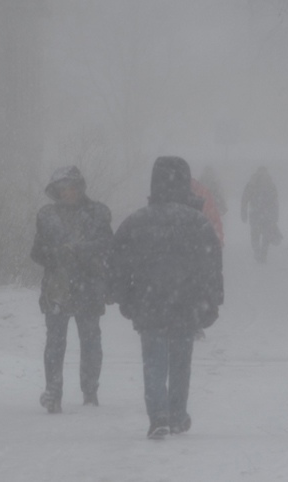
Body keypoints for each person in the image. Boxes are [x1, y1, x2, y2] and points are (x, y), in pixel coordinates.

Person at [109, 156, 224, 439]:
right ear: (186, 184)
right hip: (186, 305)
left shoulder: (136, 222)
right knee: (181, 363)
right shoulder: (198, 223)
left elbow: (118, 265)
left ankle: (158, 416)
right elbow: (211, 268)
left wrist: (125, 299)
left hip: (149, 305)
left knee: (154, 363)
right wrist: (211, 302)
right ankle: (177, 414)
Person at [30, 166, 113, 414]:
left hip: (89, 285)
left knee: (90, 341)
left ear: (80, 188)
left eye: (72, 188)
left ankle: (90, 392)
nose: (67, 193)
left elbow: (108, 246)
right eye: (62, 189)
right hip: (58, 287)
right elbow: (36, 252)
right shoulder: (46, 216)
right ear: (55, 191)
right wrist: (57, 254)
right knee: (55, 342)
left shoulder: (98, 213)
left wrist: (80, 251)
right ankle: (53, 392)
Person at [241, 166, 281, 263]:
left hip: (255, 213)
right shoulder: (270, 184)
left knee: (255, 234)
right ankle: (263, 254)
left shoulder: (252, 184)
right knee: (265, 235)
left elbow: (244, 199)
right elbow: (275, 201)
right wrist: (275, 215)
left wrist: (244, 212)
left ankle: (258, 252)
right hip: (266, 214)